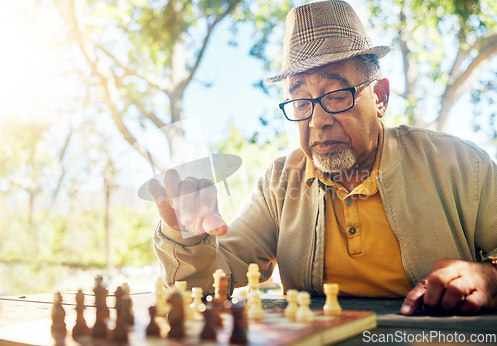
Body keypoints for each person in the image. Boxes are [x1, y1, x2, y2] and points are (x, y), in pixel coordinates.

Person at [150, 0, 497, 316]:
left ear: (379, 96)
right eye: (301, 102)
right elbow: (214, 278)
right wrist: (187, 235)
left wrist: (490, 277)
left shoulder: (460, 165)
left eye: (336, 95)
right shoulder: (280, 181)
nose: (317, 120)